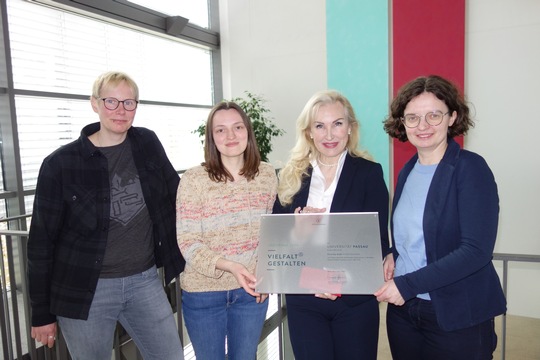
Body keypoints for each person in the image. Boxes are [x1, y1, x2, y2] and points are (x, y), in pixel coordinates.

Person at [27, 71, 185, 359]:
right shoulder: (60, 164)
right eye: (111, 101)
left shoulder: (147, 143)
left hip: (144, 281)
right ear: (94, 104)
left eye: (129, 103)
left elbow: (178, 194)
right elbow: (41, 243)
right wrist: (41, 313)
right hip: (86, 290)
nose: (120, 111)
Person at [375, 75, 506, 360]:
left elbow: (475, 251)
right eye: (412, 118)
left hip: (457, 314)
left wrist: (406, 285)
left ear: (452, 117)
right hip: (405, 313)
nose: (422, 126)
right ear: (402, 123)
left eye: (433, 115)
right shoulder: (407, 171)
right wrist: (392, 254)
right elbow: (411, 235)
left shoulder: (470, 169)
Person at [273, 90, 390, 360]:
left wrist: (334, 281)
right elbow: (277, 246)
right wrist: (298, 231)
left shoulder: (369, 174)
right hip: (305, 301)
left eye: (337, 123)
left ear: (350, 128)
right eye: (319, 126)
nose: (329, 134)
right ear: (309, 132)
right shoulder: (289, 176)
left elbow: (376, 243)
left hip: (354, 301)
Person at [176, 101, 277, 360]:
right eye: (220, 130)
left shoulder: (267, 174)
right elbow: (187, 241)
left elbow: (272, 233)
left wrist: (266, 274)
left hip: (251, 293)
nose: (230, 136)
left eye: (237, 127)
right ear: (211, 138)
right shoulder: (193, 179)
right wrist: (230, 265)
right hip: (203, 294)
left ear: (248, 132)